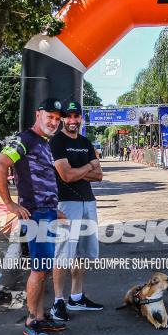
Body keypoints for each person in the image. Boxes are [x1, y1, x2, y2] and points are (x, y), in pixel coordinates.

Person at [0, 98, 70, 335]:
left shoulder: (43, 143)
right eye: (50, 117)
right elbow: (0, 166)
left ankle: (39, 314)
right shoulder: (24, 139)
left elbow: (43, 180)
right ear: (38, 114)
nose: (54, 122)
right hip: (35, 215)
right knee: (38, 269)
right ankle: (31, 320)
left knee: (45, 267)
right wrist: (10, 204)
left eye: (58, 119)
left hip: (46, 213)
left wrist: (53, 209)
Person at [49, 100, 104, 322]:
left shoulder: (85, 141)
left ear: (81, 118)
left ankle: (77, 297)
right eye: (68, 116)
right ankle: (58, 302)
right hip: (66, 203)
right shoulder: (57, 142)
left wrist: (82, 169)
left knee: (81, 253)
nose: (72, 121)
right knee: (63, 253)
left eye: (76, 116)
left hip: (88, 202)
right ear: (63, 118)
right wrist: (89, 167)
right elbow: (66, 176)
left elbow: (99, 175)